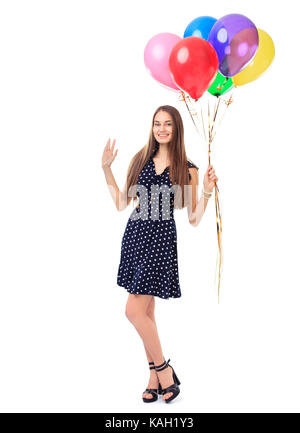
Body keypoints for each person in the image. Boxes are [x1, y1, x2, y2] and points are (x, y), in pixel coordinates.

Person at [102, 105, 218, 404]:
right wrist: (106, 169)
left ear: (176, 129)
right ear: (152, 127)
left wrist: (206, 190)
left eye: (167, 124)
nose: (161, 129)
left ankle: (164, 370)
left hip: (161, 241)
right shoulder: (140, 159)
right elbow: (120, 203)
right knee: (145, 313)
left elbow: (193, 218)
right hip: (136, 236)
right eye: (157, 124)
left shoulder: (187, 168)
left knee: (133, 311)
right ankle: (155, 376)